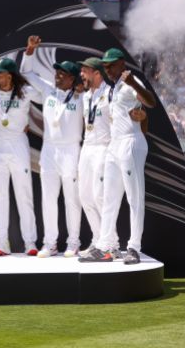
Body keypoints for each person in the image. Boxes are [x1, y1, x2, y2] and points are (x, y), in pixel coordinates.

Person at [81, 48, 156, 265]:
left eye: (111, 65)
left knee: (134, 198)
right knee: (109, 197)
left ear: (122, 63)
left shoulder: (131, 81)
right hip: (114, 144)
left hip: (130, 142)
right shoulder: (113, 88)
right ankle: (105, 247)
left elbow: (150, 102)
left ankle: (133, 247)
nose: (108, 70)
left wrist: (133, 82)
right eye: (104, 66)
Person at [20, 36, 84, 258]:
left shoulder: (81, 96)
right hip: (49, 149)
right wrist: (30, 51)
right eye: (56, 72)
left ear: (72, 78)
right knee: (48, 198)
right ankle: (50, 243)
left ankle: (73, 242)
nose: (57, 76)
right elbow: (26, 73)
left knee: (71, 198)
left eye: (62, 74)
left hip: (71, 150)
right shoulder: (48, 90)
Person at [0, 57, 41, 256]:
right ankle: (2, 243)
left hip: (19, 144)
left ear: (9, 75)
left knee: (24, 194)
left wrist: (28, 74)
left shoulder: (25, 92)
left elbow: (46, 97)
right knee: (0, 196)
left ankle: (30, 243)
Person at [77, 57, 112, 257]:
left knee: (100, 196)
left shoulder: (109, 93)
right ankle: (98, 240)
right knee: (84, 196)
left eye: (85, 71)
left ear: (97, 73)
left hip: (104, 147)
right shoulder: (85, 96)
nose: (81, 74)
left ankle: (111, 243)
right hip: (87, 147)